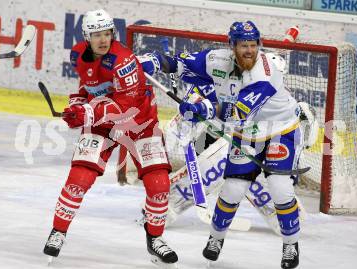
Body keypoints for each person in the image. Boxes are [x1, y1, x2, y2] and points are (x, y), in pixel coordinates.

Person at [148, 21, 304, 268]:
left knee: (280, 187)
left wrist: (203, 108)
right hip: (246, 134)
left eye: (253, 45)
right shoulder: (216, 60)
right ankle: (215, 239)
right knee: (232, 189)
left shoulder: (264, 73)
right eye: (244, 45)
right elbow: (179, 64)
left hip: (280, 131)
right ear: (232, 46)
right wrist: (156, 62)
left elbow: (239, 110)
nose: (249, 50)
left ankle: (290, 246)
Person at [43, 9, 178, 267]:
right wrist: (78, 106)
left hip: (139, 121)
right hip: (102, 122)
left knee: (159, 183)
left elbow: (129, 105)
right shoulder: (78, 55)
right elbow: (89, 86)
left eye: (107, 33)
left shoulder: (124, 60)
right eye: (96, 35)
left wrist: (88, 113)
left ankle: (156, 240)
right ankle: (58, 232)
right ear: (86, 36)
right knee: (79, 177)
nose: (103, 39)